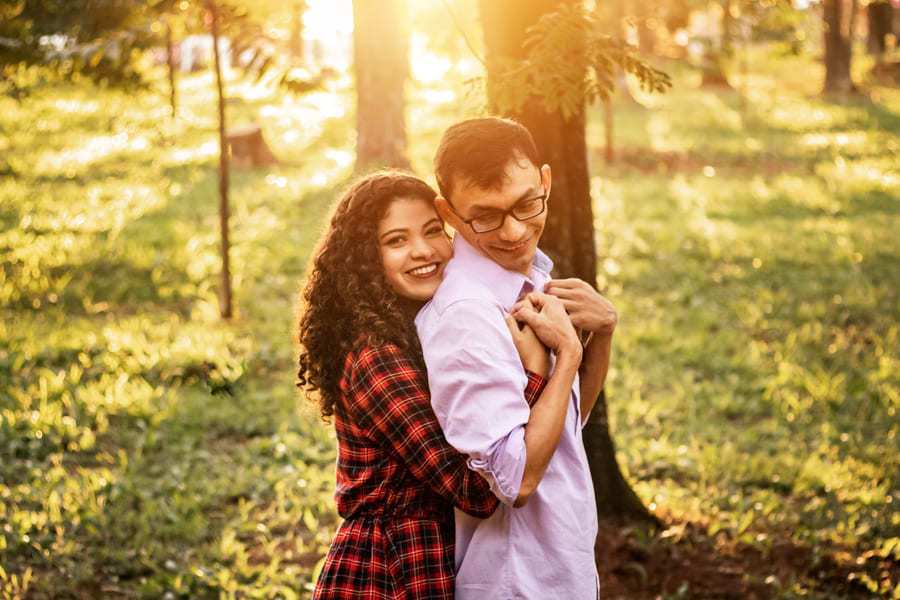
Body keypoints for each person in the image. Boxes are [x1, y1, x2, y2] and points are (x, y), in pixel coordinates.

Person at [295, 171, 579, 599]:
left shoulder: (418, 328)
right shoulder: (377, 359)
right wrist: (537, 372)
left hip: (425, 558)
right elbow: (480, 490)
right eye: (396, 241)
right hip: (386, 571)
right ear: (365, 259)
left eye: (433, 231)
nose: (423, 251)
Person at [416, 117, 618, 599]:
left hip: (556, 564)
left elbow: (564, 427)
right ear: (449, 212)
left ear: (545, 180)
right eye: (485, 216)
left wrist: (602, 335)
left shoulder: (533, 284)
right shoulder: (467, 314)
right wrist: (568, 353)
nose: (513, 231)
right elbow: (516, 478)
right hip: (514, 579)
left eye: (527, 203)